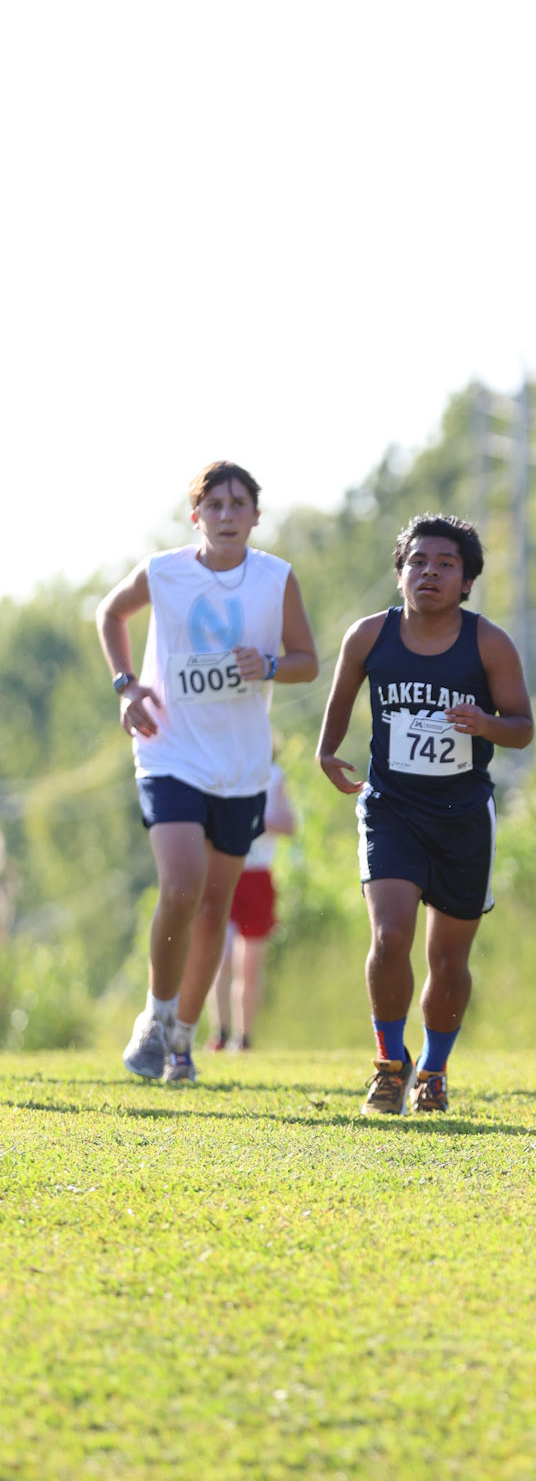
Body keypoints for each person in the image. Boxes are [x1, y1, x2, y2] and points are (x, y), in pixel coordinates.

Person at [97, 460, 319, 1085]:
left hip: (242, 765)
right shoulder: (165, 572)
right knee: (181, 886)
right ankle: (155, 1014)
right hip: (169, 752)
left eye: (238, 504)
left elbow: (307, 660)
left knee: (215, 903)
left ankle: (182, 1041)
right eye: (214, 506)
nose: (226, 516)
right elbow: (110, 614)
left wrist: (269, 664)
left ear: (255, 515)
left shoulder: (275, 579)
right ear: (195, 517)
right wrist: (126, 686)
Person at [316, 514, 533, 1116]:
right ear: (399, 573)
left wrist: (484, 724)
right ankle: (389, 1064)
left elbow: (522, 728)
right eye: (417, 562)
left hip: (464, 815)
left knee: (448, 959)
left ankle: (434, 1069)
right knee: (389, 937)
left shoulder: (488, 643)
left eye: (445, 564)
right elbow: (336, 712)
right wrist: (328, 754)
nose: (429, 572)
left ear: (466, 583)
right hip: (392, 808)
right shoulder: (368, 637)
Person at [211, 757, 297, 1051]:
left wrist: (256, 819)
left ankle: (243, 1037)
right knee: (220, 957)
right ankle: (219, 1033)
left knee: (248, 964)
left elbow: (289, 824)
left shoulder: (275, 776)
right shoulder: (220, 768)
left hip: (258, 875)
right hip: (224, 872)